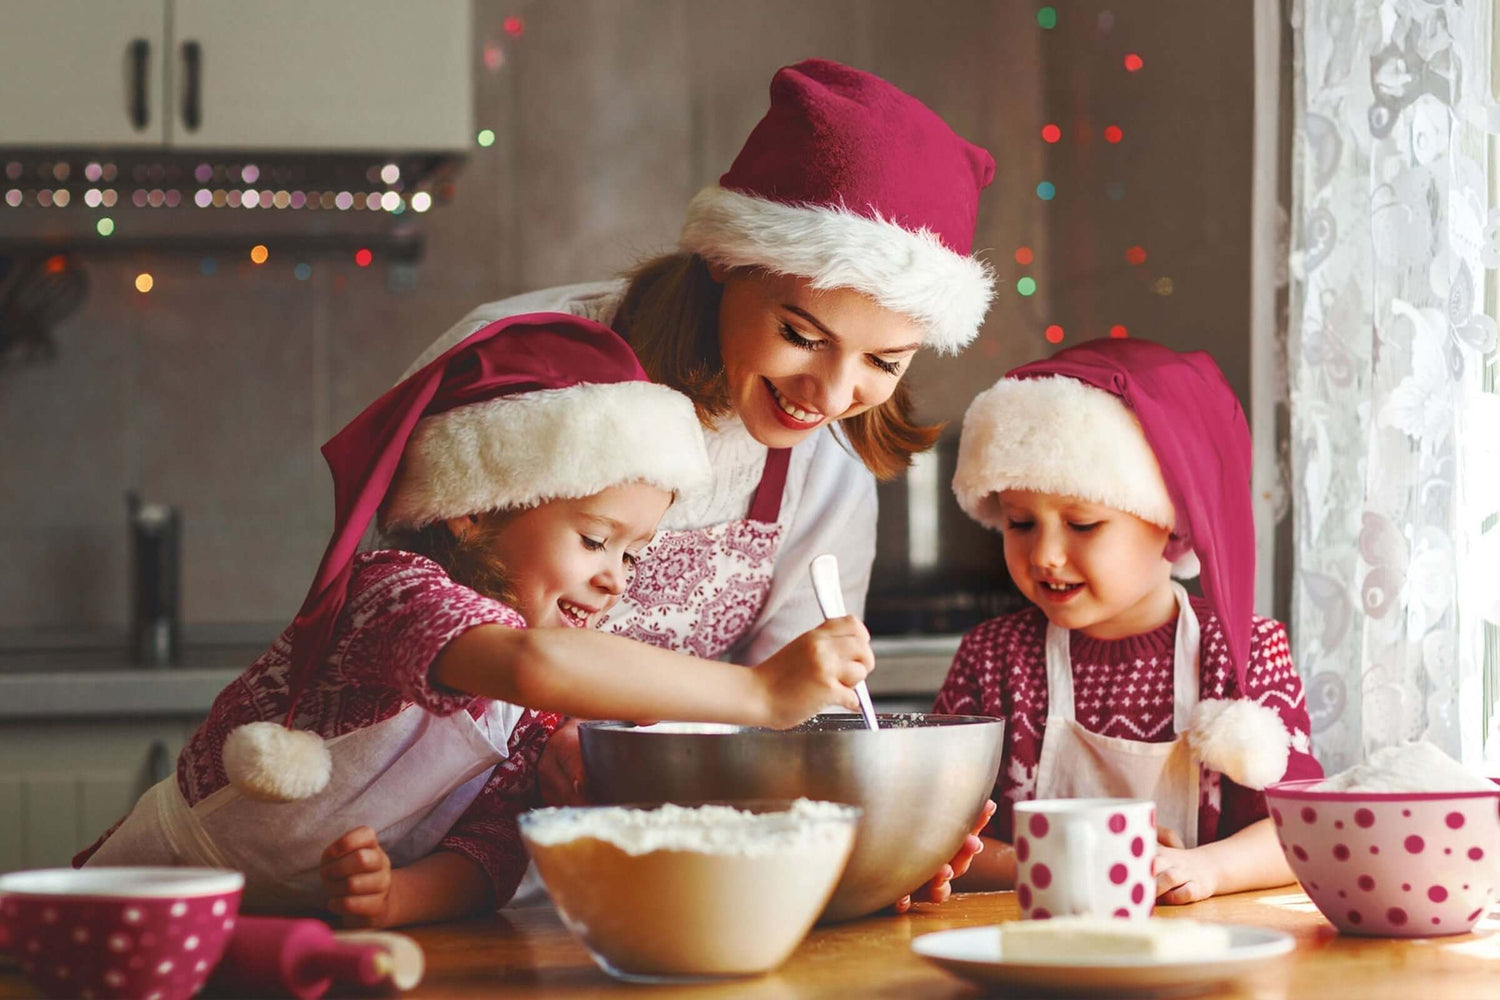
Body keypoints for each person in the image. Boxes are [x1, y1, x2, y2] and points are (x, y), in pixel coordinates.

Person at [405, 57, 1000, 908]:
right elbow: (386, 605)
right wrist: (544, 739)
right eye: (802, 334)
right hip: (409, 860)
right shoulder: (517, 361)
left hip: (641, 880)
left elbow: (784, 723)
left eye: (883, 362)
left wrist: (878, 843)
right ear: (726, 261)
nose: (830, 396)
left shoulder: (825, 481)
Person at [74, 314, 875, 928]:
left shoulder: (541, 702)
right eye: (596, 539)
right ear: (471, 511)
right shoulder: (393, 592)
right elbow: (531, 665)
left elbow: (488, 855)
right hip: (147, 890)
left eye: (633, 556)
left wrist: (393, 899)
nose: (614, 578)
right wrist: (762, 694)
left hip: (300, 937)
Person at [936, 337, 1324, 904]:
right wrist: (1076, 863)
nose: (1045, 554)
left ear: (1172, 522)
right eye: (1020, 523)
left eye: (1084, 524)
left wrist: (1206, 869)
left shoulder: (1242, 652)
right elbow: (939, 841)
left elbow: (1301, 829)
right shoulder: (993, 659)